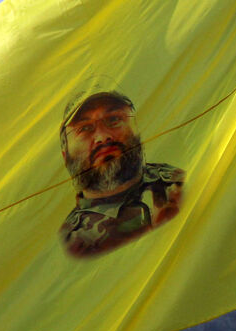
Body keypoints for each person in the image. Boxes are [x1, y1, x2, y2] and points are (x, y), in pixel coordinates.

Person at [58, 84, 185, 258]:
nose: (103, 137)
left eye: (113, 120)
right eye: (85, 128)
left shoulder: (179, 181)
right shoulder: (73, 241)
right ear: (65, 156)